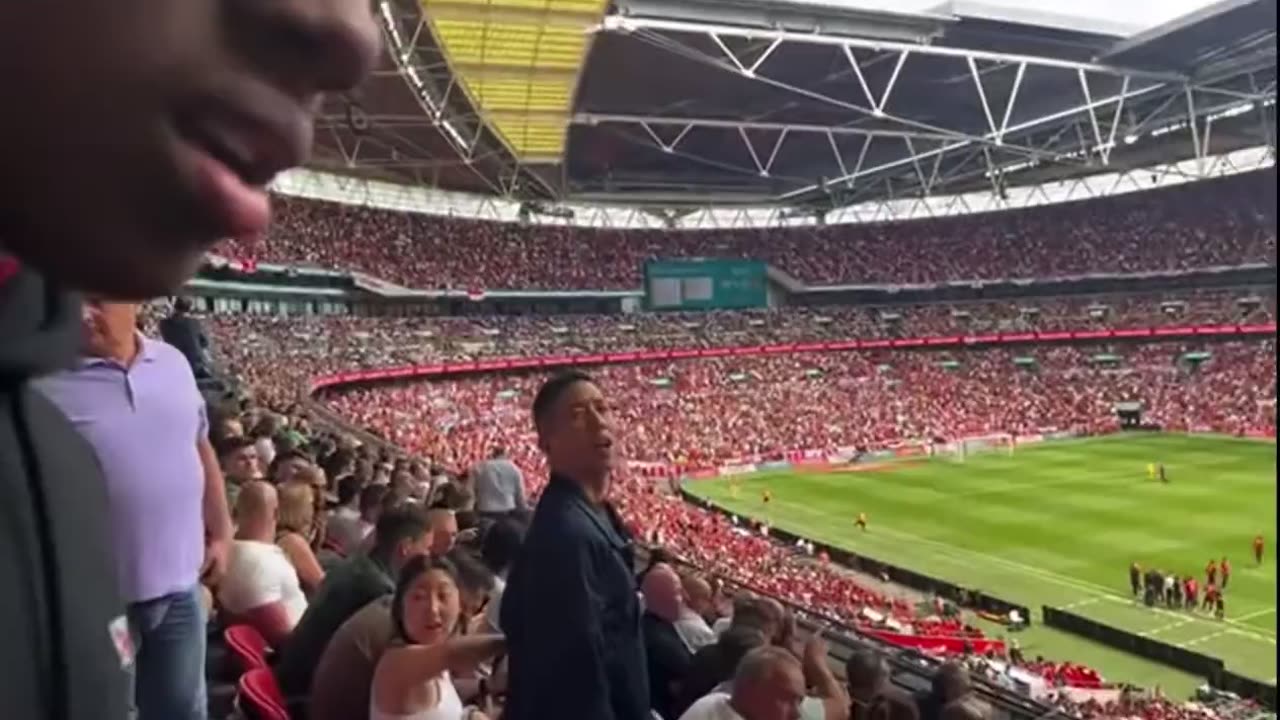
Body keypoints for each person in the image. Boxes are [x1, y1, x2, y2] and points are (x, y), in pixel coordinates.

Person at [36, 299, 234, 720]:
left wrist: (221, 529)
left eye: (98, 299)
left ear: (134, 297)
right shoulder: (43, 385)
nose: (83, 312)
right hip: (101, 605)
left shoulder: (174, 364)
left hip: (180, 585)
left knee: (183, 709)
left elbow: (200, 446)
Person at [500, 371, 649, 720]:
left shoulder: (593, 515)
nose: (600, 421)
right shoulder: (564, 537)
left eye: (603, 407)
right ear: (546, 442)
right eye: (579, 413)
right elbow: (576, 681)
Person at [275, 505, 435, 697]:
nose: (428, 556)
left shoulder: (354, 565)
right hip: (304, 694)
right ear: (406, 547)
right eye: (426, 548)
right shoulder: (379, 592)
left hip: (291, 677)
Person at [369, 555, 504, 720]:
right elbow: (453, 654)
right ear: (400, 609)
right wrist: (511, 642)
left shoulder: (434, 662)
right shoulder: (395, 664)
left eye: (443, 595)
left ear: (460, 603)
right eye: (418, 597)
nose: (433, 609)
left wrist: (470, 714)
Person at [218, 481, 307, 647]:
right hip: (292, 657)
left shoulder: (227, 552)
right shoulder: (263, 563)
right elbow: (281, 637)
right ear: (276, 513)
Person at [678, 646, 806, 720]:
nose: (796, 714)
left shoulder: (718, 699)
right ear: (750, 690)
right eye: (786, 699)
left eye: (798, 701)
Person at [641, 564, 695, 720]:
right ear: (660, 597)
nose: (686, 597)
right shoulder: (663, 644)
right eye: (678, 592)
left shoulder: (650, 626)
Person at [469, 446, 528, 520]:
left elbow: (472, 489)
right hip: (507, 510)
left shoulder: (480, 467)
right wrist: (523, 510)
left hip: (484, 509)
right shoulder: (514, 468)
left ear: (493, 454)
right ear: (505, 454)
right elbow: (520, 494)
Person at [158, 298, 210, 378]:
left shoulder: (163, 324)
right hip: (194, 367)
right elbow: (204, 343)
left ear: (174, 306)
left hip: (174, 366)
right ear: (189, 308)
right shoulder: (194, 323)